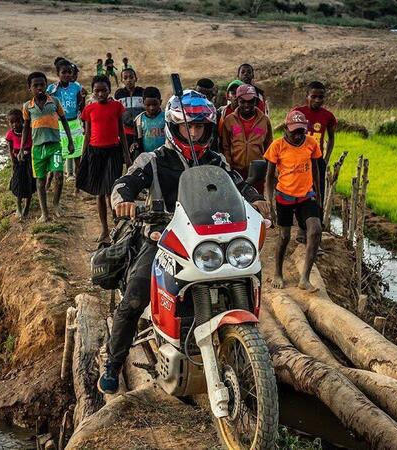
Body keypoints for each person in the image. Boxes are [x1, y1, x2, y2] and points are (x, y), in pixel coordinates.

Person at [98, 90, 269, 394]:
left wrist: (256, 200)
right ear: (174, 128)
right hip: (164, 238)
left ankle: (247, 348)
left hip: (210, 241)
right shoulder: (153, 159)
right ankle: (113, 362)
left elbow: (239, 185)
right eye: (188, 127)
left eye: (199, 127)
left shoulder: (216, 160)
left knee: (248, 274)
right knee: (137, 294)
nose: (194, 133)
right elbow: (125, 183)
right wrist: (122, 200)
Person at [265, 110, 322, 292]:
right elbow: (268, 178)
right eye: (294, 132)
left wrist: (319, 195)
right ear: (286, 130)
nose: (298, 136)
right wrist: (270, 204)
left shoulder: (311, 143)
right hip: (284, 196)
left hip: (306, 195)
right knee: (284, 237)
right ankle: (278, 272)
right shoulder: (277, 146)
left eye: (301, 132)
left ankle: (304, 278)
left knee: (315, 230)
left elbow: (316, 170)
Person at [77, 75, 130, 242]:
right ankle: (104, 229)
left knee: (111, 191)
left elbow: (121, 132)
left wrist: (127, 156)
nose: (100, 94)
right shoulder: (89, 110)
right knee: (99, 193)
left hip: (113, 152)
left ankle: (117, 226)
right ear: (92, 92)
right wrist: (84, 156)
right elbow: (87, 135)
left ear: (109, 91)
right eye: (96, 91)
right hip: (95, 153)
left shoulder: (117, 107)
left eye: (104, 90)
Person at [21, 71, 75, 223]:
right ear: (29, 88)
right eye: (35, 85)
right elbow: (26, 128)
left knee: (58, 175)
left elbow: (64, 121)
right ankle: (45, 213)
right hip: (37, 148)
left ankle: (56, 205)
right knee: (40, 181)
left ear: (46, 85)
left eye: (42, 84)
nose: (39, 88)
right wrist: (21, 149)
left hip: (55, 146)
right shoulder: (27, 107)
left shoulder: (55, 102)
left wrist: (70, 141)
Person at [292, 81, 337, 242]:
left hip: (317, 162)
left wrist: (326, 158)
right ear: (307, 96)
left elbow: (331, 138)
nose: (318, 100)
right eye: (314, 96)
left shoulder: (328, 116)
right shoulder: (297, 113)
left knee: (317, 194)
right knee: (299, 194)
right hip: (299, 162)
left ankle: (314, 230)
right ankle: (302, 230)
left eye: (321, 97)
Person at [220, 84, 273, 193]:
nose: (247, 105)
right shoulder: (229, 120)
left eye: (250, 101)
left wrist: (267, 167)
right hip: (236, 171)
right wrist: (229, 167)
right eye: (243, 101)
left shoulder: (264, 120)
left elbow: (269, 145)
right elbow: (225, 146)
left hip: (258, 171)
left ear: (255, 101)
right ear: (237, 100)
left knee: (256, 201)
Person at [46, 60, 85, 179]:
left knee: (77, 155)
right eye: (64, 72)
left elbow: (81, 105)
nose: (67, 75)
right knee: (58, 156)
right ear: (58, 73)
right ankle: (50, 181)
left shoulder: (76, 87)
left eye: (70, 72)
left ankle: (78, 187)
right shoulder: (52, 88)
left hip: (74, 123)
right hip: (59, 125)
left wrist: (83, 98)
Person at [5, 109, 35, 218]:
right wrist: (13, 162)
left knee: (30, 183)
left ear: (22, 121)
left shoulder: (29, 131)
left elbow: (33, 146)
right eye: (11, 122)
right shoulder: (10, 134)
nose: (14, 125)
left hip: (29, 161)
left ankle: (27, 206)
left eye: (16, 122)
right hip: (18, 162)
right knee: (18, 184)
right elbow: (10, 149)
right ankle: (18, 207)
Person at [114, 68, 145, 159]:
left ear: (136, 78)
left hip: (140, 130)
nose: (128, 80)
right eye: (125, 78)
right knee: (126, 156)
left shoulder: (142, 92)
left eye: (131, 77)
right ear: (122, 80)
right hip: (125, 131)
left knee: (139, 155)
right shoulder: (119, 94)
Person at [132, 86, 165, 154]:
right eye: (148, 105)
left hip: (165, 155)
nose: (152, 108)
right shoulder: (139, 120)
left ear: (160, 102)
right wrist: (135, 144)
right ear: (143, 103)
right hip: (147, 156)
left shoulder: (166, 117)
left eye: (155, 104)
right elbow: (137, 139)